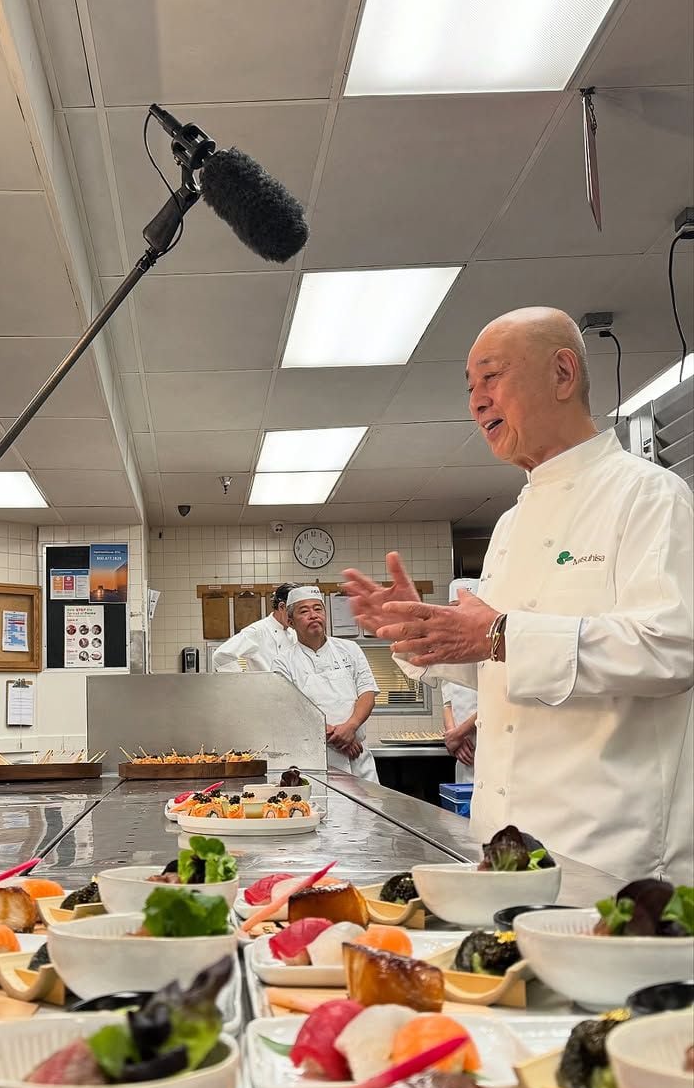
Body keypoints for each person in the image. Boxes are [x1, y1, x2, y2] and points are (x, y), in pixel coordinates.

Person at [342, 307, 693, 883]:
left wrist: (500, 633)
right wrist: (423, 638)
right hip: (503, 843)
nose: (476, 401)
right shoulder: (509, 526)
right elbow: (508, 666)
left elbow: (673, 648)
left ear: (562, 374)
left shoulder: (650, 495)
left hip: (610, 855)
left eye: (492, 377)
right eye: (471, 387)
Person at [273, 584, 379, 781]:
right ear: (290, 621)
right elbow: (291, 709)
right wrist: (340, 738)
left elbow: (368, 693)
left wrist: (351, 727)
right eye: (304, 611)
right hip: (317, 762)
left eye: (318, 609)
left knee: (367, 811)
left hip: (358, 758)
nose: (313, 615)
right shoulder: (283, 662)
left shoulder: (350, 649)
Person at [441, 579, 480, 784]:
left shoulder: (493, 646)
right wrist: (452, 735)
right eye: (452, 609)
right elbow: (448, 701)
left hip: (485, 746)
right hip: (462, 752)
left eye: (461, 608)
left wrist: (460, 732)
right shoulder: (451, 651)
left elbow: (498, 699)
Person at [211, 582, 296, 672]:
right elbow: (221, 656)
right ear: (282, 607)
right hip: (265, 685)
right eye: (300, 610)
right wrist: (244, 680)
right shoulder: (257, 631)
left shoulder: (293, 632)